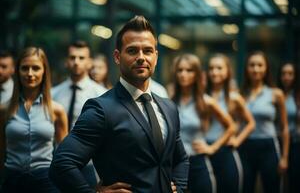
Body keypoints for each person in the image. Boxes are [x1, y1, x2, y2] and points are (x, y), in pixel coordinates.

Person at [49, 15, 189, 193]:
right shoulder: (101, 109)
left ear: (156, 56)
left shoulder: (168, 107)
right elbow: (61, 164)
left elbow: (181, 159)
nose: (141, 57)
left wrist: (180, 187)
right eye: (132, 51)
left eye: (147, 51)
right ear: (117, 56)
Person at [0, 47, 68, 192]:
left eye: (36, 68)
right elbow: (1, 150)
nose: (30, 73)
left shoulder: (56, 110)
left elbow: (65, 155)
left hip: (46, 179)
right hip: (12, 179)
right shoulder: (4, 109)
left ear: (44, 71)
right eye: (25, 68)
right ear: (17, 71)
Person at [172, 53, 235, 193]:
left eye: (189, 70)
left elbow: (231, 127)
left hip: (198, 163)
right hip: (175, 165)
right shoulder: (169, 101)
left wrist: (212, 148)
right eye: (180, 70)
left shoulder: (206, 101)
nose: (183, 74)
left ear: (197, 74)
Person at [52, 40, 107, 188]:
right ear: (66, 61)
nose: (76, 62)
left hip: (89, 166)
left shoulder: (101, 95)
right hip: (57, 163)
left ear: (89, 63)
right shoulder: (53, 94)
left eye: (81, 58)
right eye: (72, 57)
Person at [239, 51, 289, 193]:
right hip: (246, 146)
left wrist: (285, 157)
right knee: (245, 188)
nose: (256, 69)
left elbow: (284, 127)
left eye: (260, 65)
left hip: (268, 146)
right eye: (252, 65)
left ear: (266, 68)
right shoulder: (240, 94)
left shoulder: (276, 94)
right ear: (247, 68)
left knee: (272, 188)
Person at [206, 54, 255, 193]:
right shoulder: (201, 96)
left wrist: (237, 140)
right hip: (204, 151)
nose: (215, 72)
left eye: (219, 68)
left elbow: (251, 123)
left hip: (225, 152)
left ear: (227, 71)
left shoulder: (234, 98)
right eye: (211, 68)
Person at [277, 62, 300, 193]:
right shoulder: (275, 93)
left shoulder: (297, 96)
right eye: (283, 74)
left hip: (295, 143)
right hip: (276, 142)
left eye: (290, 74)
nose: (286, 77)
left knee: (295, 180)